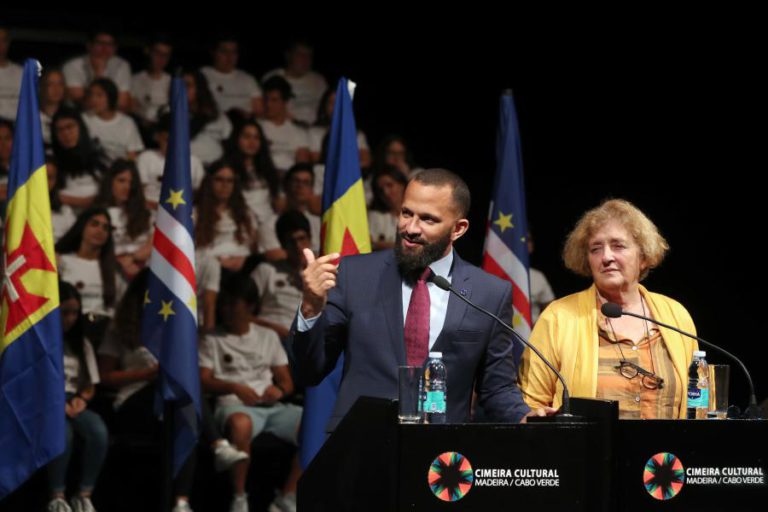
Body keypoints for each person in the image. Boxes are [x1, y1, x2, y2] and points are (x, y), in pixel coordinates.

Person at [291, 168, 542, 432]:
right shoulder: (354, 274)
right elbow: (309, 369)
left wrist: (525, 417)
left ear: (458, 228)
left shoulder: (489, 293)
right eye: (406, 213)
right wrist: (310, 306)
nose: (410, 228)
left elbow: (497, 388)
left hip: (441, 454)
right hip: (361, 445)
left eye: (427, 220)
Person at [518, 199, 698, 419]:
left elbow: (697, 399)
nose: (606, 257)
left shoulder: (676, 315)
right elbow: (530, 403)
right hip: (586, 452)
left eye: (618, 246)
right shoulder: (558, 317)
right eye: (596, 249)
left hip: (666, 454)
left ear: (643, 256)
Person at [200, 277, 301, 512]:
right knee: (241, 424)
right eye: (224, 304)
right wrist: (234, 387)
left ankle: (288, 495)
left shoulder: (266, 336)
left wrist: (278, 390)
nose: (227, 309)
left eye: (233, 304)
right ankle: (239, 498)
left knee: (315, 424)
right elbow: (203, 380)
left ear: (250, 306)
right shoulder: (211, 339)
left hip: (271, 408)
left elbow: (287, 382)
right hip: (234, 405)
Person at [46, 282, 108, 512]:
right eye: (64, 312)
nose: (70, 318)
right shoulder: (39, 342)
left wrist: (83, 398)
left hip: (73, 398)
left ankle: (84, 494)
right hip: (46, 400)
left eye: (74, 312)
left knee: (98, 430)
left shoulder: (81, 344)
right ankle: (57, 495)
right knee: (64, 435)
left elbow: (90, 383)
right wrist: (56, 403)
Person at [62, 29, 132, 111]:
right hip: (78, 113)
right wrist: (98, 72)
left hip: (110, 115)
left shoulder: (121, 65)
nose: (105, 48)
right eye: (100, 43)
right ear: (89, 45)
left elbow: (122, 103)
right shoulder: (72, 66)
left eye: (110, 44)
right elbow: (83, 102)